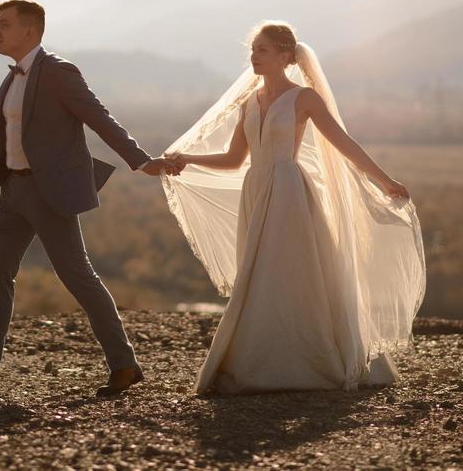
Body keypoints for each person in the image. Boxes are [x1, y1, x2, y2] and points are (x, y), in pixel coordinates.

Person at [160, 21, 425, 393]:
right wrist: (188, 158)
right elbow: (235, 159)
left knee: (289, 274)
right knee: (258, 273)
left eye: (262, 50)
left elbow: (343, 144)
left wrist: (385, 181)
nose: (254, 56)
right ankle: (259, 357)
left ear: (285, 56)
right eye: (252, 50)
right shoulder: (248, 102)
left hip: (289, 193)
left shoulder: (304, 98)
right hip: (256, 189)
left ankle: (307, 359)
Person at [0, 0, 180, 397]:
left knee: (77, 276)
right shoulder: (13, 76)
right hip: (12, 190)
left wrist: (140, 161)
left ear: (29, 31)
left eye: (3, 24)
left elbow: (100, 117)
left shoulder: (59, 73)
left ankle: (124, 364)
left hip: (49, 193)